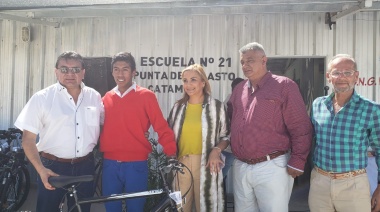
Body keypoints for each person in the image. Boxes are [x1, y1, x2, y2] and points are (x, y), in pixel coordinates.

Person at [227, 42, 312, 212]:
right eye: (243, 62)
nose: (245, 65)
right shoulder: (239, 90)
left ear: (264, 60)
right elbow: (232, 120)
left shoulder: (284, 86)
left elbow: (300, 125)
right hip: (241, 166)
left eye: (250, 60)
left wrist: (298, 160)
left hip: (272, 166)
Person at [14, 51, 103, 212]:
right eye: (64, 69)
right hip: (53, 167)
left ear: (83, 72)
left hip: (86, 166)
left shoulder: (94, 97)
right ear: (56, 71)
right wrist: (41, 170)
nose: (70, 74)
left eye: (75, 69)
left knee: (82, 209)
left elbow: (105, 125)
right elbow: (28, 140)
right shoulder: (41, 98)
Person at [100, 52, 177, 212]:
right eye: (116, 69)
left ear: (134, 71)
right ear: (112, 72)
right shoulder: (106, 98)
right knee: (111, 208)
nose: (120, 74)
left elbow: (160, 126)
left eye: (125, 69)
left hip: (136, 165)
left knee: (135, 208)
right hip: (110, 165)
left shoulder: (146, 96)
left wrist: (171, 152)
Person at [309, 54, 380, 212]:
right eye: (336, 72)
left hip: (353, 184)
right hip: (320, 183)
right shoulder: (318, 105)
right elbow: (309, 138)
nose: (342, 77)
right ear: (328, 76)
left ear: (356, 76)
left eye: (347, 72)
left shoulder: (371, 109)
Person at [167, 64, 230, 212]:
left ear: (203, 82)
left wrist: (216, 150)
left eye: (193, 80)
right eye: (185, 80)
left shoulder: (217, 107)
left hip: (207, 164)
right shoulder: (177, 107)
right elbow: (168, 135)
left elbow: (226, 136)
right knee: (180, 207)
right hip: (181, 165)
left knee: (207, 207)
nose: (188, 85)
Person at [222, 77, 244, 178]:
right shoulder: (228, 103)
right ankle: (221, 193)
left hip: (243, 149)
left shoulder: (248, 101)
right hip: (227, 147)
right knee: (221, 174)